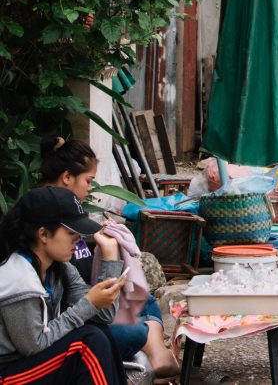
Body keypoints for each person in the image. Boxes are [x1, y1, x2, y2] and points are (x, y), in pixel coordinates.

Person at [38, 139, 179, 377]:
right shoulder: (47, 221)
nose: (89, 189)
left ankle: (156, 350)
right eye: (88, 181)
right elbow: (38, 340)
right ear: (67, 177)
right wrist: (109, 258)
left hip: (88, 300)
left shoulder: (66, 252)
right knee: (127, 331)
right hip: (75, 316)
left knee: (140, 293)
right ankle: (156, 350)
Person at [0, 187, 128, 384]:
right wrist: (89, 304)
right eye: (71, 232)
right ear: (43, 234)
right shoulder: (17, 278)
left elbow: (104, 315)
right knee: (87, 343)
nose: (77, 239)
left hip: (32, 364)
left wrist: (110, 255)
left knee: (100, 332)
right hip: (8, 371)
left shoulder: (61, 269)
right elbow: (33, 345)